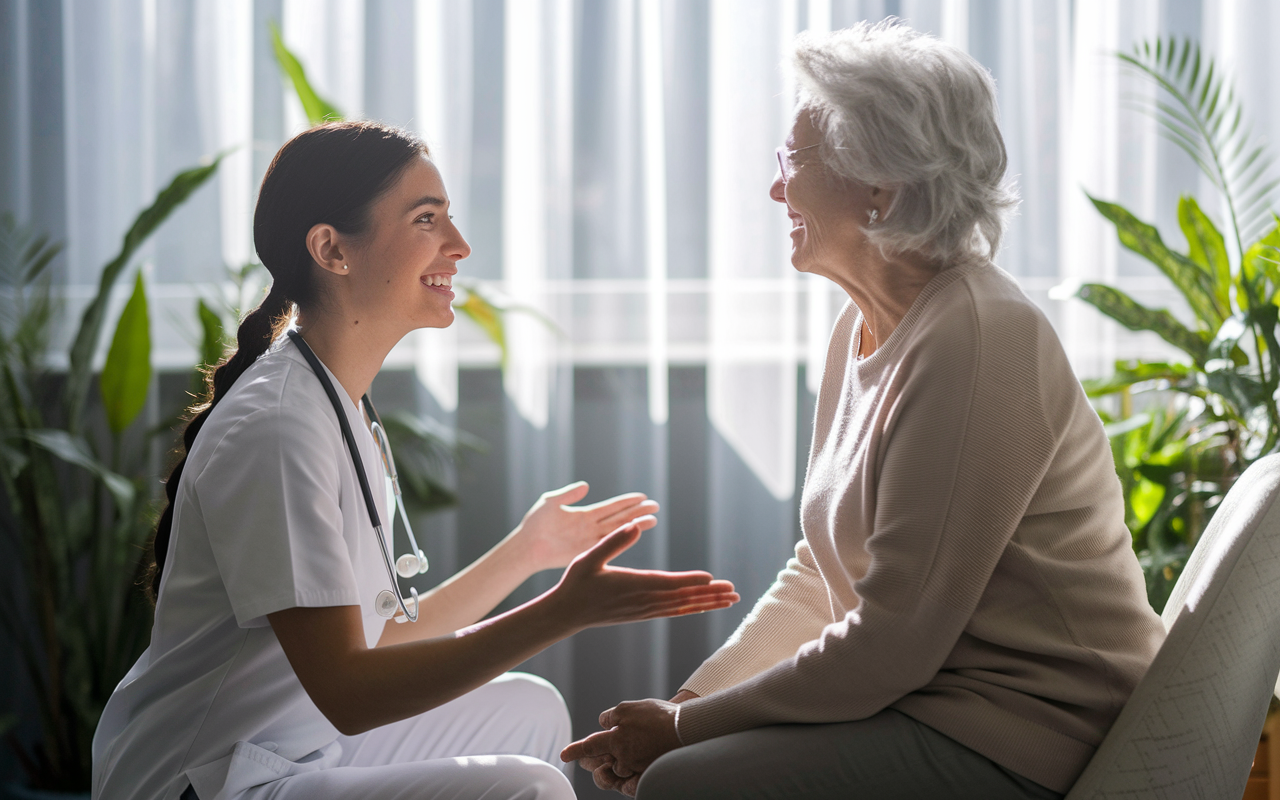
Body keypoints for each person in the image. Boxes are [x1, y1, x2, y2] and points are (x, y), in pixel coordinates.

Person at [562, 20, 1166, 799]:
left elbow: (892, 646)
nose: (776, 187)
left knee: (687, 784)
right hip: (932, 708)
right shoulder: (865, 325)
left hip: (1028, 735)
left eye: (792, 162)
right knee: (682, 770)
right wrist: (691, 704)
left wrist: (679, 734)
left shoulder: (977, 337)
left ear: (879, 187)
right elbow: (821, 576)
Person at [90, 121, 739, 800]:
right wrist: (560, 611)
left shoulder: (338, 401)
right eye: (427, 220)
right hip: (205, 780)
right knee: (529, 788)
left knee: (531, 708)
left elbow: (380, 640)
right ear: (332, 249)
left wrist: (528, 551)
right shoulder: (278, 428)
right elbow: (348, 690)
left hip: (294, 741)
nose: (458, 247)